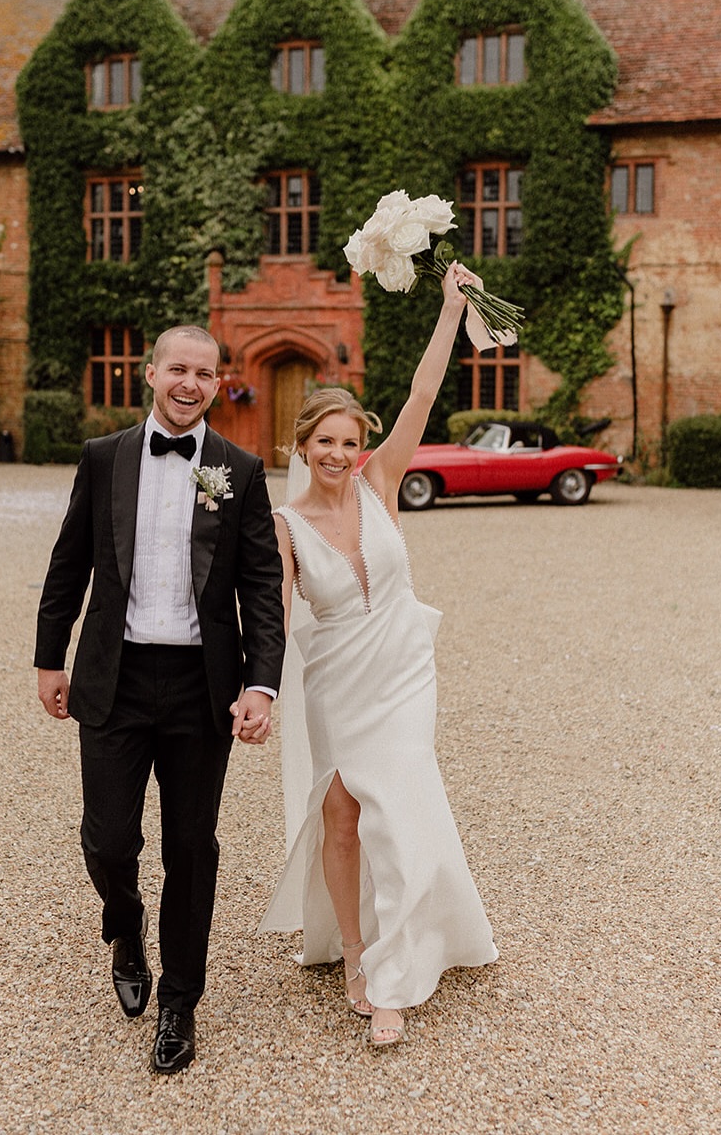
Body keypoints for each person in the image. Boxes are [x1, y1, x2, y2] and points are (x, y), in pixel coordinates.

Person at [34, 325, 285, 1075]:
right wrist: (51, 658)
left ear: (217, 384)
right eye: (178, 368)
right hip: (112, 678)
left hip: (200, 690)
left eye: (204, 374)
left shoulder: (237, 469)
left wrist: (260, 683)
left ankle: (180, 1000)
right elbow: (68, 562)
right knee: (109, 840)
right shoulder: (103, 457)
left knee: (190, 849)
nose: (190, 383)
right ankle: (124, 922)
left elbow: (261, 587)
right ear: (150, 374)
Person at [259, 262, 498, 1048]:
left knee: (394, 806)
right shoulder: (284, 526)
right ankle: (355, 954)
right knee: (340, 817)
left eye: (349, 442)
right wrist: (252, 690)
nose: (338, 454)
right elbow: (273, 615)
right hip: (336, 680)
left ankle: (393, 979)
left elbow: (422, 395)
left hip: (402, 671)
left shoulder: (380, 483)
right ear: (302, 446)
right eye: (325, 443)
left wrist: (448, 309)